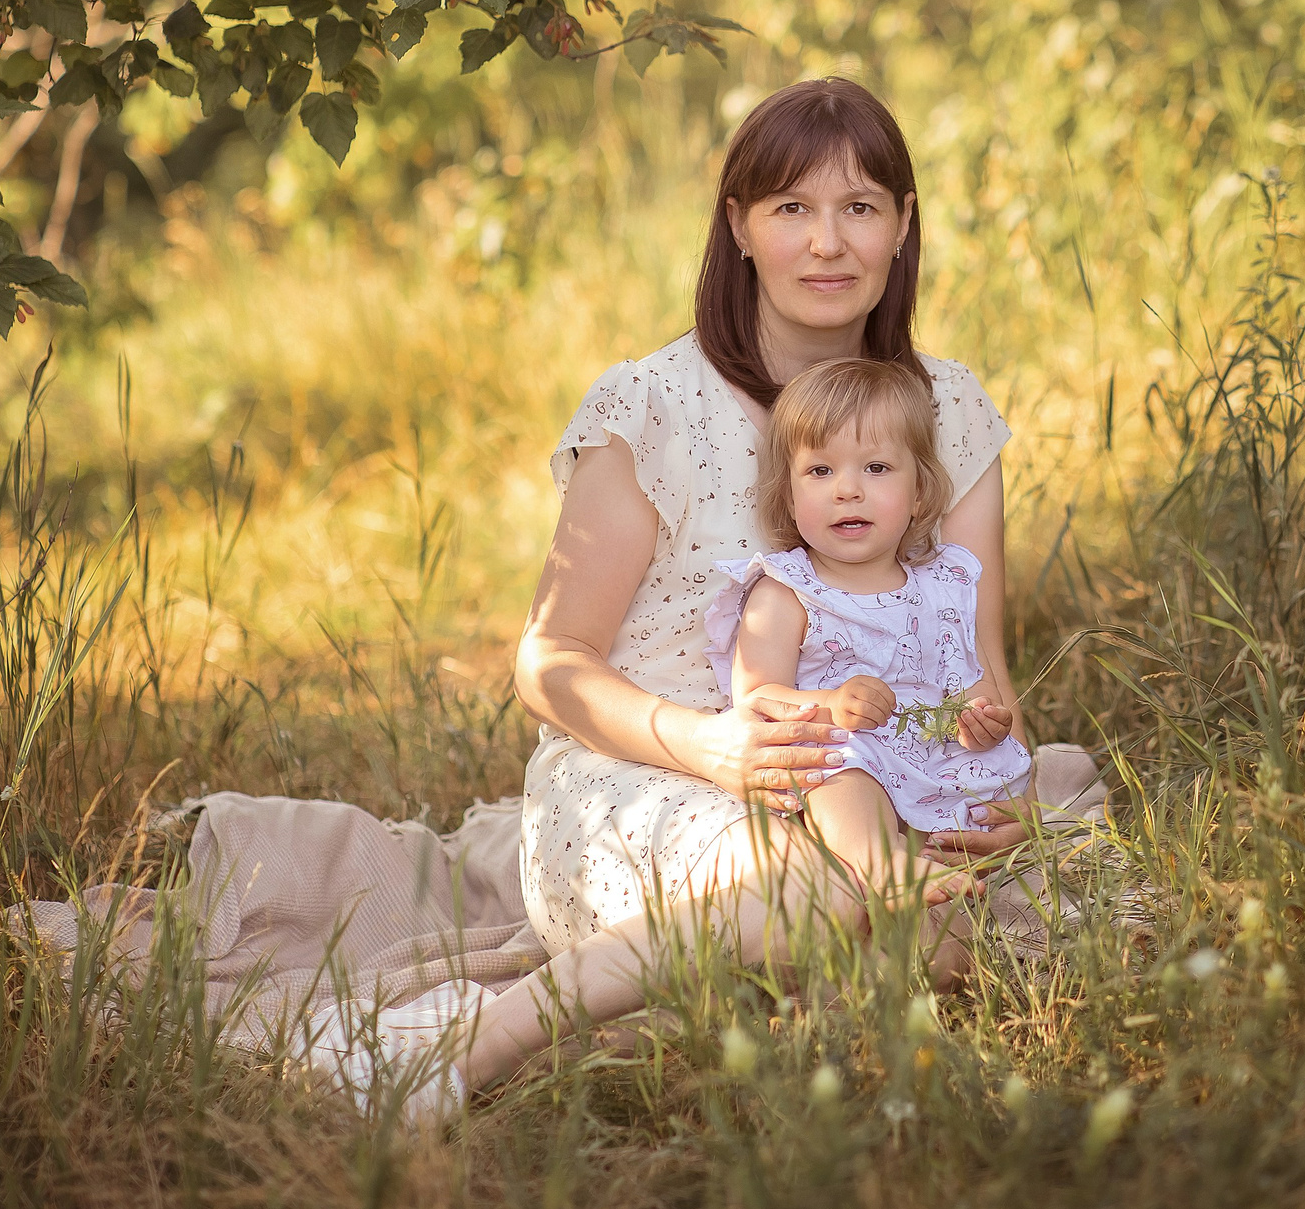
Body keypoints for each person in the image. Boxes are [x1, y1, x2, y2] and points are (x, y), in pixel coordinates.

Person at [443, 76, 1046, 1100]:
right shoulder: (653, 404)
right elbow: (547, 665)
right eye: (791, 210)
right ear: (739, 227)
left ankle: (763, 1018)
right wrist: (709, 745)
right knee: (831, 900)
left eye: (859, 208)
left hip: (880, 776)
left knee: (959, 923)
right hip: (652, 773)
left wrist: (1001, 793)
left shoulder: (947, 409)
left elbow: (976, 669)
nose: (827, 242)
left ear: (902, 227)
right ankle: (494, 1043)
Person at [710, 357, 1035, 901]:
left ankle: (944, 869)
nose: (848, 490)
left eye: (877, 468)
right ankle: (880, 866)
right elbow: (756, 696)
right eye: (820, 471)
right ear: (789, 498)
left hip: (931, 751)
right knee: (842, 768)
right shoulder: (786, 592)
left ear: (920, 494)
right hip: (853, 755)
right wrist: (831, 704)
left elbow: (972, 678)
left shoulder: (944, 585)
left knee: (989, 785)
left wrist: (985, 721)